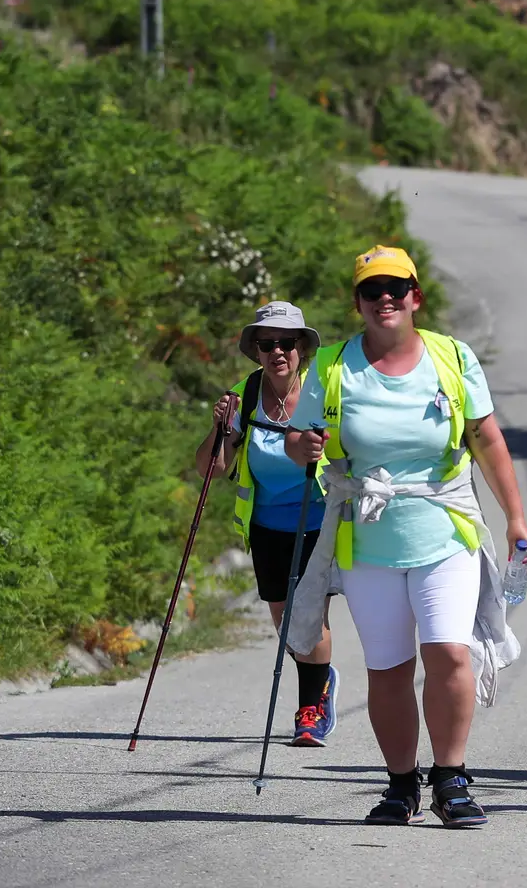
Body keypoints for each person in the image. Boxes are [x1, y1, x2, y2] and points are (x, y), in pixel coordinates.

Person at [285, 245, 527, 830]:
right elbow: (299, 441)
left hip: (444, 529)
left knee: (449, 651)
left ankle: (451, 778)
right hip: (368, 539)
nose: (385, 299)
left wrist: (516, 518)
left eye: (396, 288)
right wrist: (306, 446)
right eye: (371, 291)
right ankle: (401, 785)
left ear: (415, 297)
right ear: (358, 303)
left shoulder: (452, 357)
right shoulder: (331, 366)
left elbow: (486, 438)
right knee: (389, 668)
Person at [198, 301, 338, 746]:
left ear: (301, 347)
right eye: (267, 344)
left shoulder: (322, 390)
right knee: (285, 626)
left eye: (286, 343)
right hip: (266, 526)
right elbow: (211, 468)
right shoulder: (245, 396)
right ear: (256, 351)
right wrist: (221, 428)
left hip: (318, 520)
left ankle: (310, 711)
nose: (277, 351)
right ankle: (321, 676)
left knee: (308, 616)